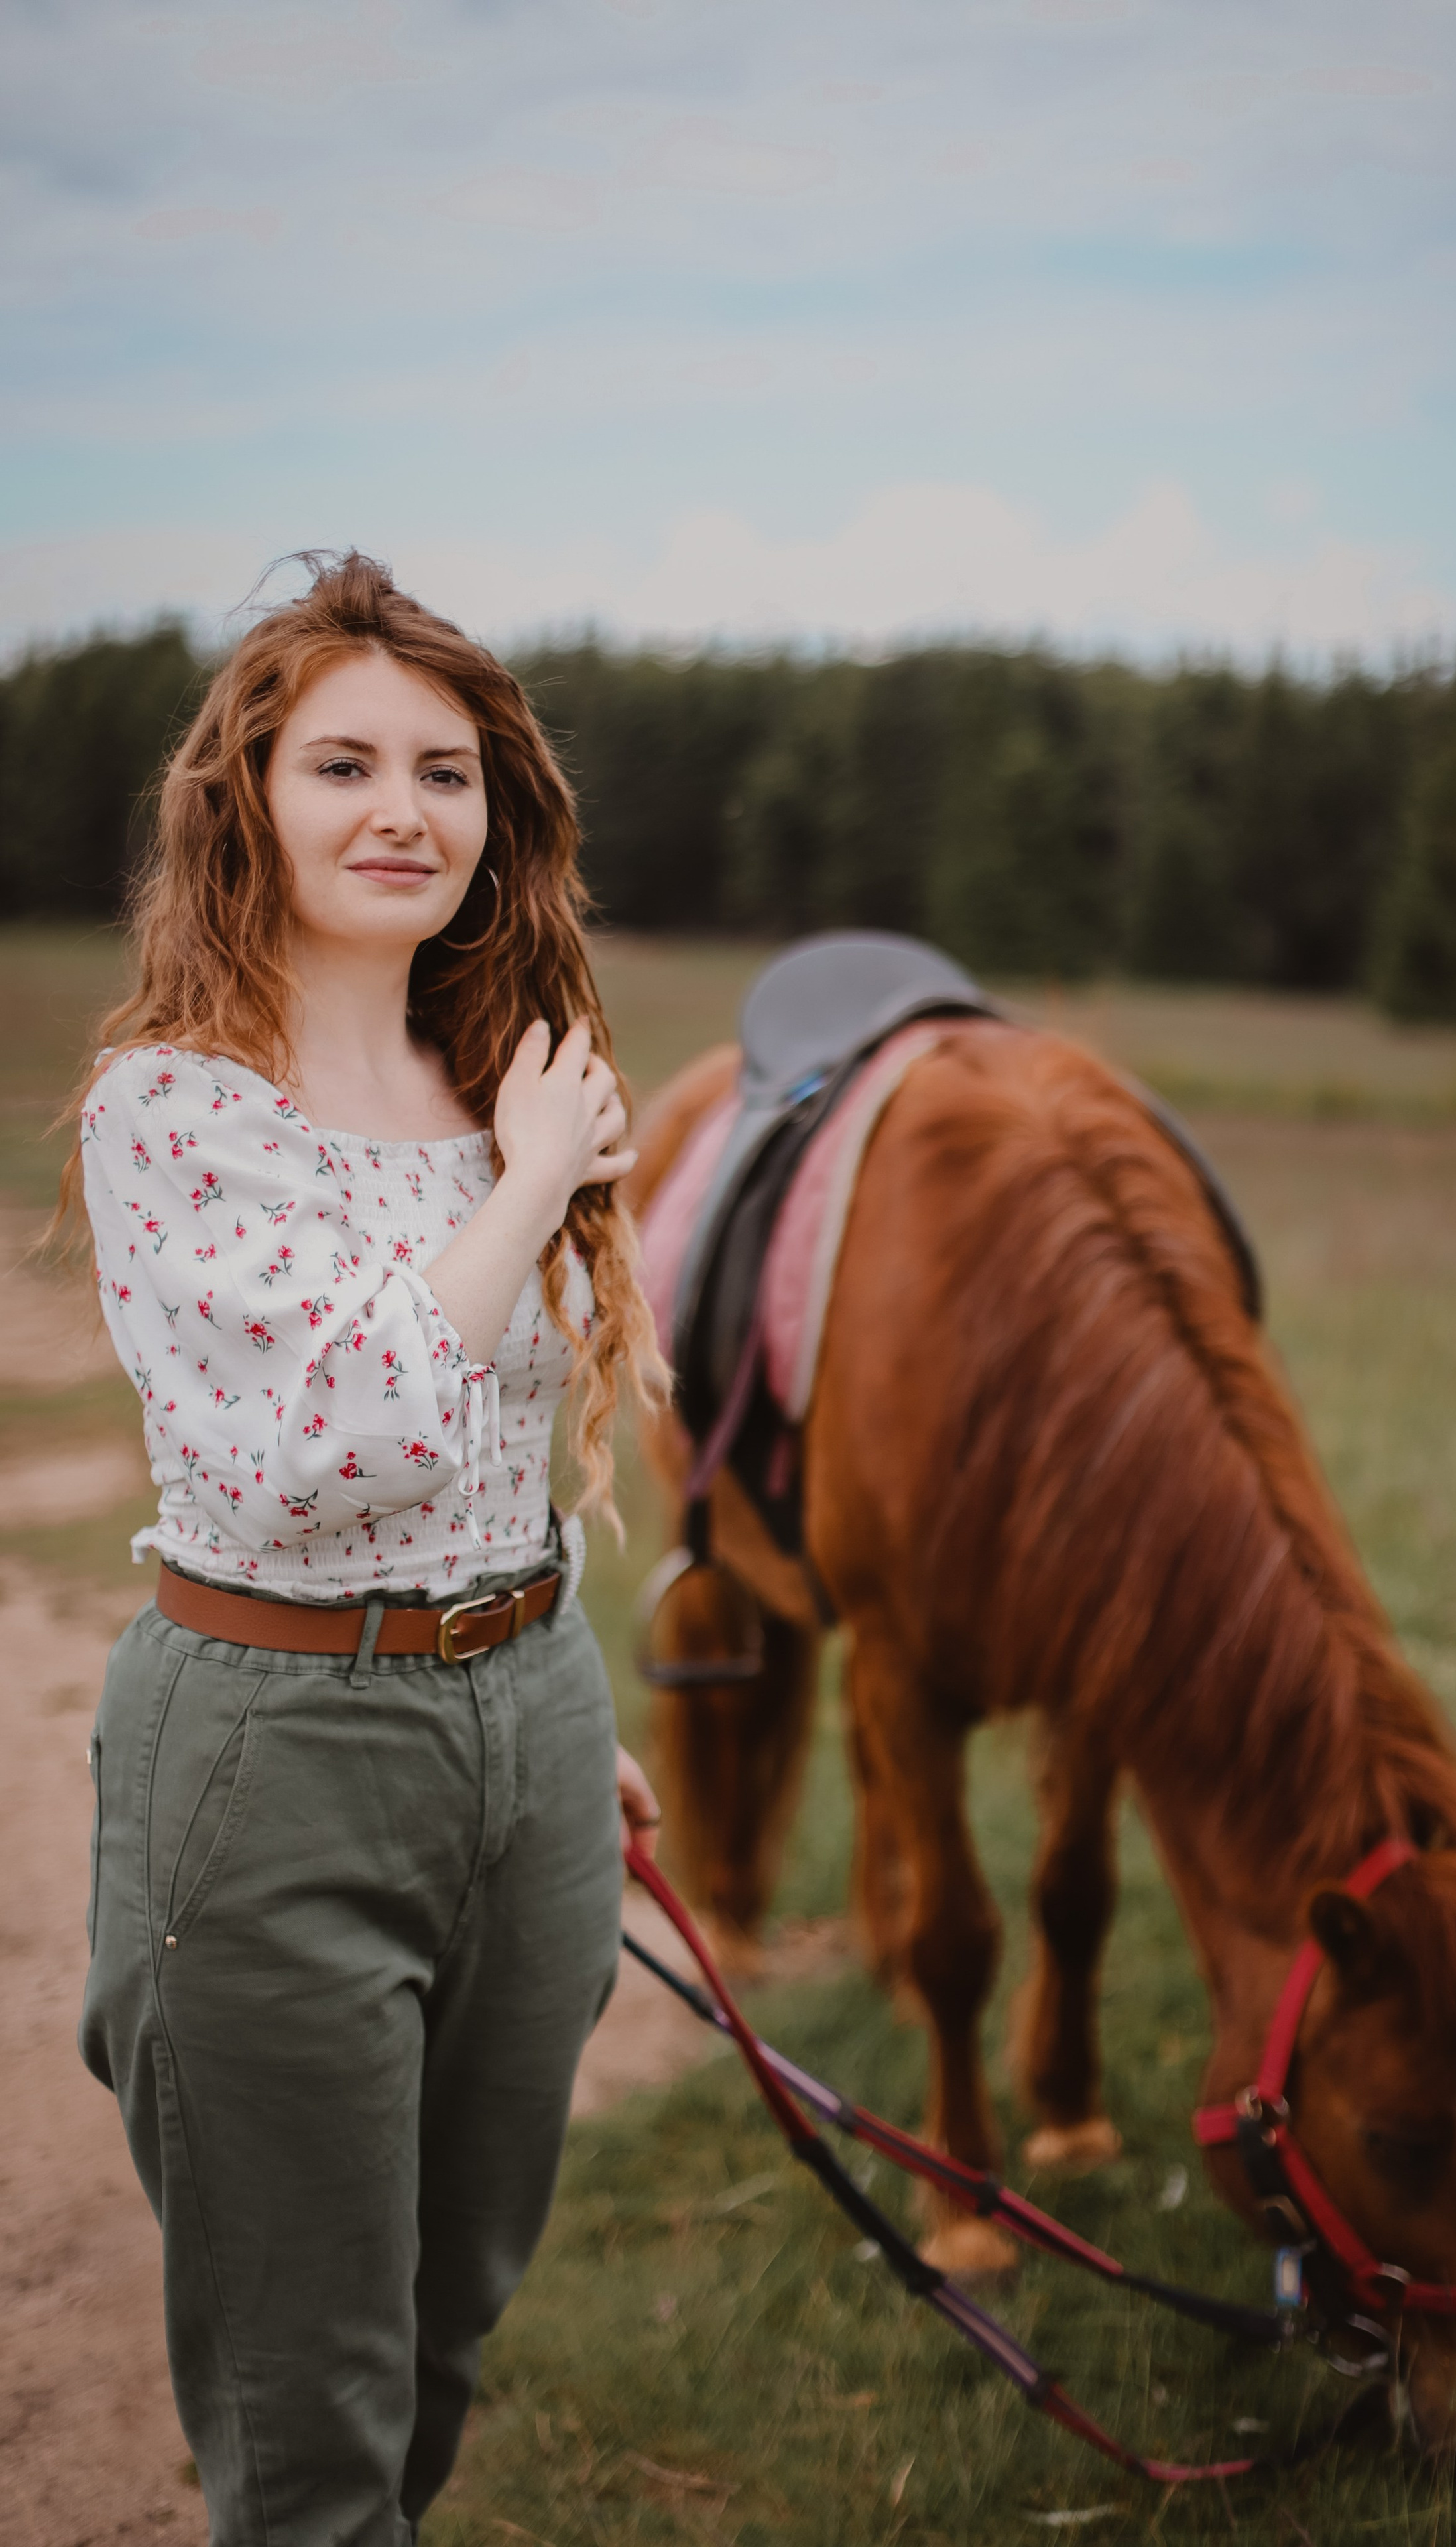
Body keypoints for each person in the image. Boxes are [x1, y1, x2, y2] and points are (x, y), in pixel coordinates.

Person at [65, 550, 668, 2544]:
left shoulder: (496, 1075)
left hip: (526, 1725)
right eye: (343, 763)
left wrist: (545, 1708)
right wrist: (533, 1178)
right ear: (246, 797)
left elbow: (502, 1445)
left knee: (441, 2326)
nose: (404, 808)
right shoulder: (174, 1110)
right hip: (279, 1746)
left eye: (447, 770)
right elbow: (332, 1448)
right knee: (306, 2394)